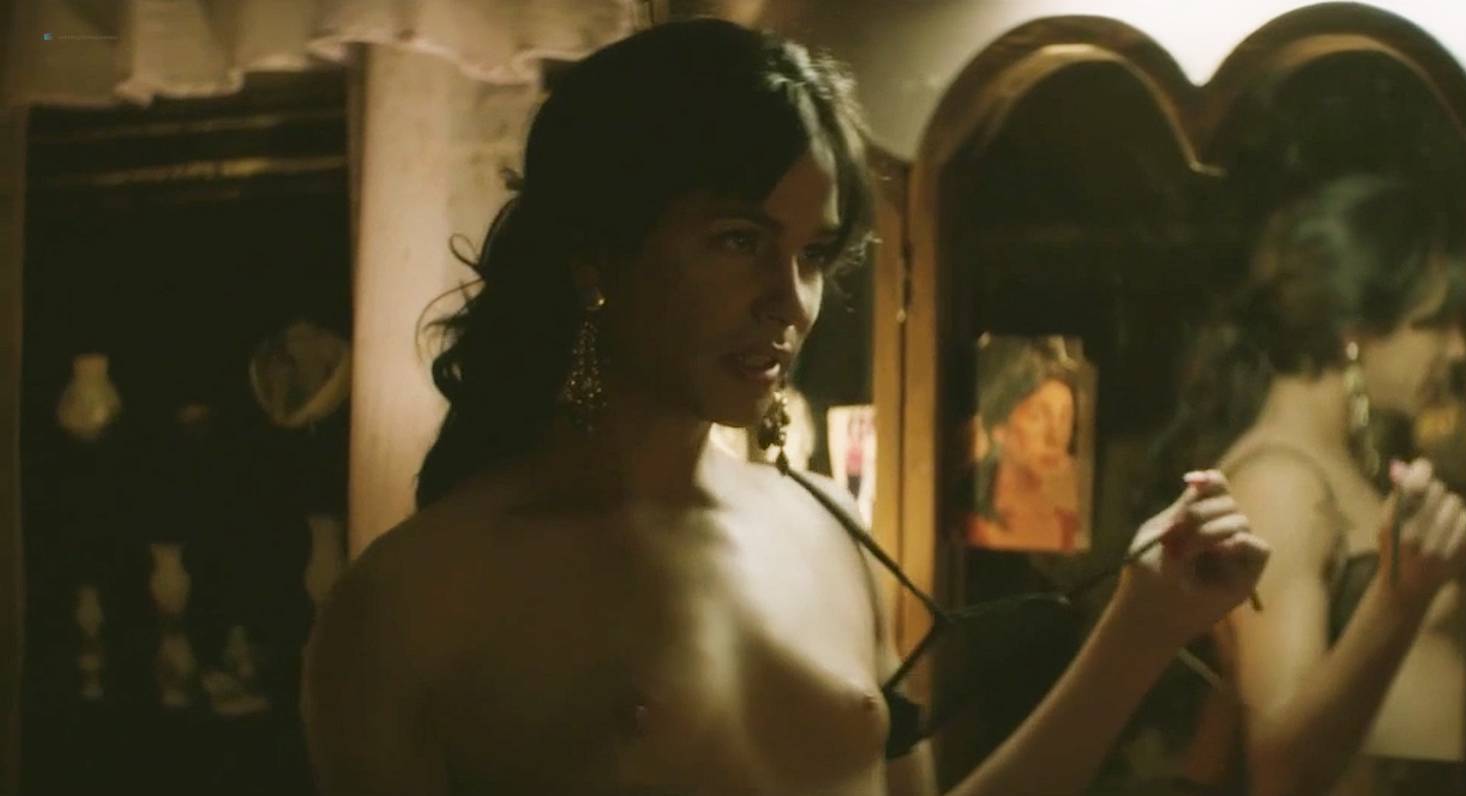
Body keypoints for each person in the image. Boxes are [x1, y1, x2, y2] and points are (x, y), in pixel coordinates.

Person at [300, 18, 1270, 796]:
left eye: (811, 255)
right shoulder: (413, 600)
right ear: (597, 253)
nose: (791, 302)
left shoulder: (825, 527)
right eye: (738, 240)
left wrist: (1145, 625)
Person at [1158, 174, 1466, 796]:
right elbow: (1280, 770)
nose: (1458, 349)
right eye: (1434, 324)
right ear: (1354, 331)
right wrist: (1399, 598)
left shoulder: (1340, 462)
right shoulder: (1280, 485)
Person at [967, 335, 1085, 553]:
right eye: (1038, 416)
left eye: (1065, 417)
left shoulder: (1068, 525)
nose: (1055, 437)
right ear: (999, 425)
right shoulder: (968, 524)